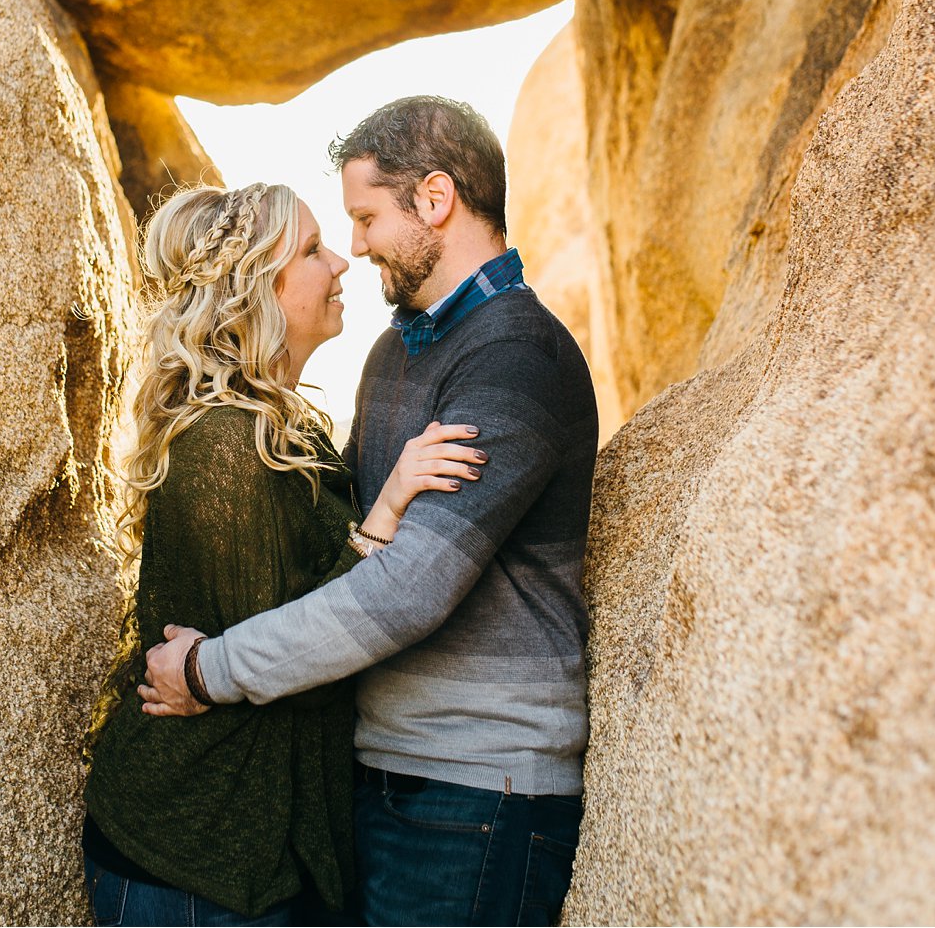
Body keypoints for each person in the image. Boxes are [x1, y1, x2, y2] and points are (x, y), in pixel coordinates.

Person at [140, 100, 598, 928]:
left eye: (364, 217)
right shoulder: (393, 353)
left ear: (434, 199)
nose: (354, 247)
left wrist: (211, 671)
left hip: (479, 787)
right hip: (380, 777)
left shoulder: (515, 355)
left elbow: (405, 590)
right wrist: (384, 502)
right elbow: (345, 546)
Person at [83, 180, 490, 927]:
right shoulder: (224, 448)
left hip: (259, 851)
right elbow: (299, 655)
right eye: (310, 250)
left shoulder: (283, 429)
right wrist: (390, 507)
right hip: (196, 859)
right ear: (255, 295)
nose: (340, 259)